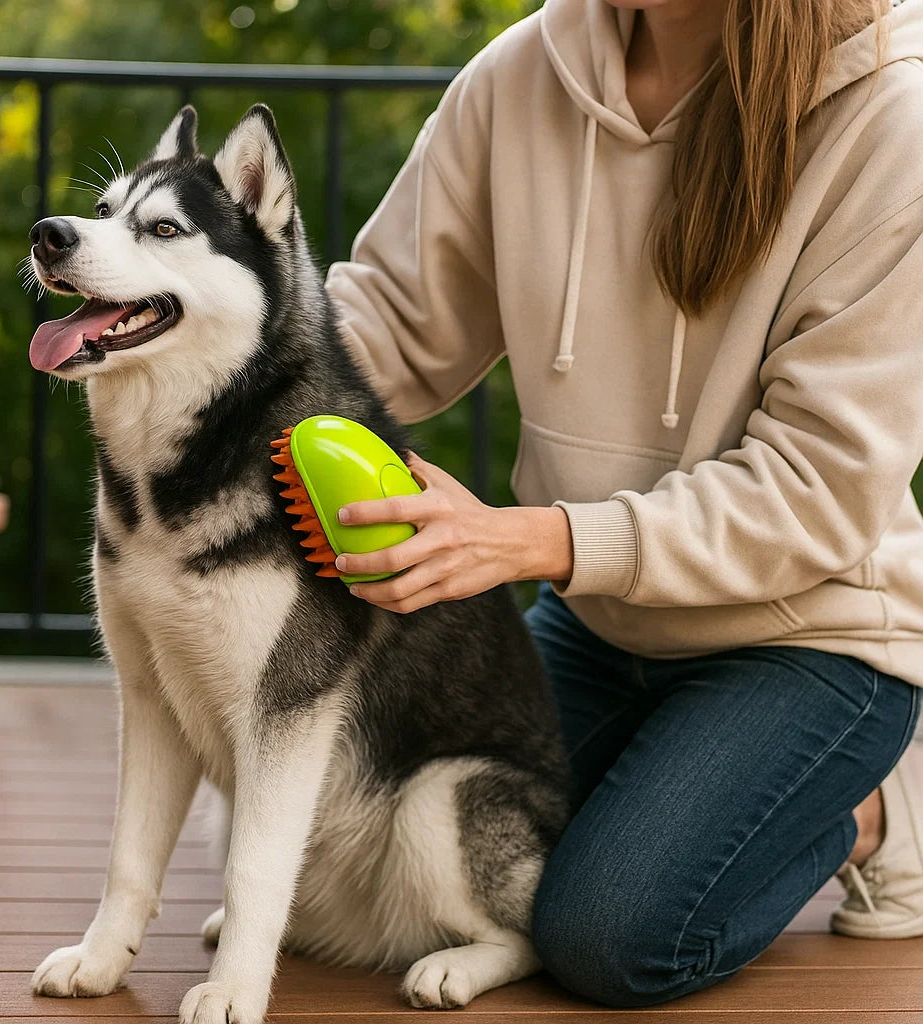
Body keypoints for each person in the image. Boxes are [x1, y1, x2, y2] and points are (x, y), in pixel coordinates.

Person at [322, 0, 923, 1008]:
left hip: (813, 632)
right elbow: (387, 322)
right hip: (601, 618)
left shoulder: (891, 117)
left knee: (606, 934)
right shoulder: (518, 77)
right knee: (384, 880)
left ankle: (874, 810)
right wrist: (216, 360)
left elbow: (818, 486)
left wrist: (531, 540)